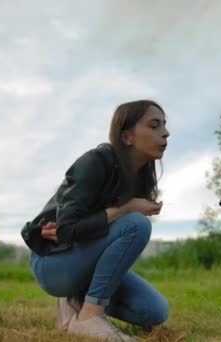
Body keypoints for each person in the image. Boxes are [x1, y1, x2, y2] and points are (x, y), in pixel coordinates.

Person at [28, 100, 170, 341]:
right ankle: (90, 316)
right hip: (53, 261)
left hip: (83, 262)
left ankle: (74, 302)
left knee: (155, 311)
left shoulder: (140, 175)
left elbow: (109, 239)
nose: (166, 132)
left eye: (164, 126)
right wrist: (126, 207)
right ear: (127, 137)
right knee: (137, 223)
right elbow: (67, 229)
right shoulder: (95, 161)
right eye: (155, 125)